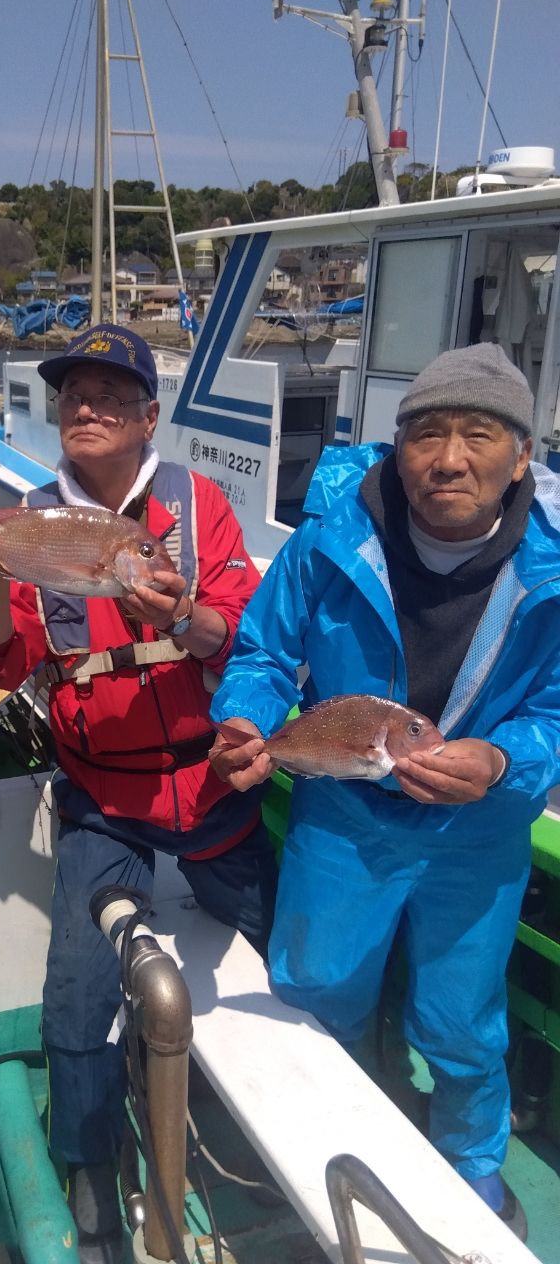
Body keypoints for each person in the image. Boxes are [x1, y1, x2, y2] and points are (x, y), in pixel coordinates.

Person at [0, 323, 278, 1263]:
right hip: (102, 800)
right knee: (76, 996)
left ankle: (255, 1114)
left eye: (110, 397)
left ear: (147, 418)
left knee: (280, 943)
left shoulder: (198, 506)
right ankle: (87, 1162)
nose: (85, 410)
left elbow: (246, 633)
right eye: (71, 397)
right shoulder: (29, 518)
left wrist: (185, 615)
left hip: (211, 793)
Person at [209, 342, 560, 1240]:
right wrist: (249, 722)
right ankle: (309, 1133)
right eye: (426, 434)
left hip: (476, 834)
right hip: (344, 817)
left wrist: (501, 763)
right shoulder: (329, 537)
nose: (448, 459)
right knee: (316, 990)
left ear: (522, 455)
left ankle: (472, 1165)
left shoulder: (555, 569)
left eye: (478, 435)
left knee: (462, 1019)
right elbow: (260, 652)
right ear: (396, 448)